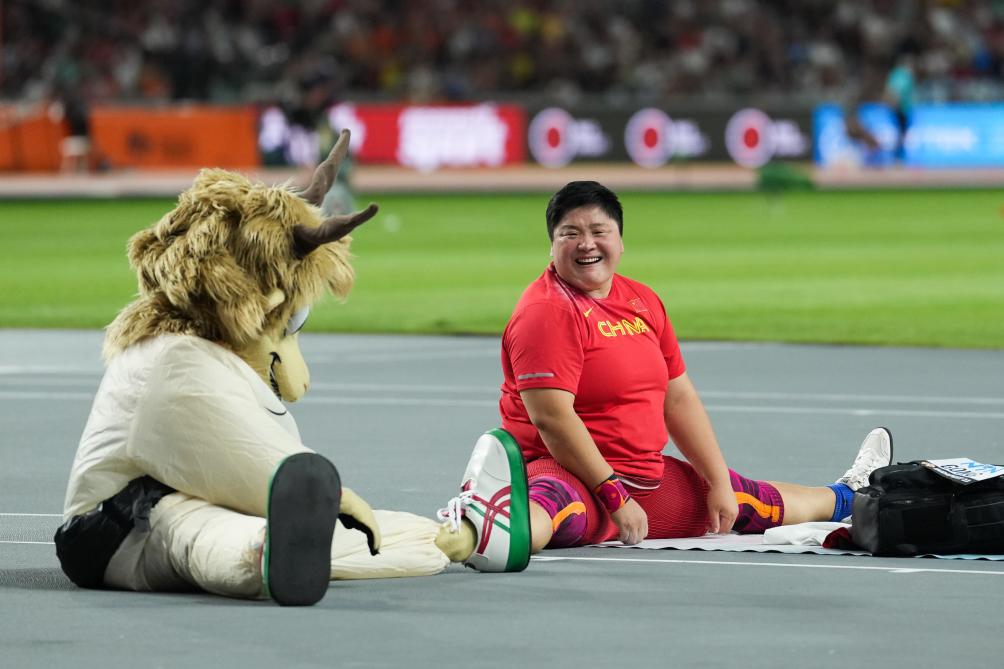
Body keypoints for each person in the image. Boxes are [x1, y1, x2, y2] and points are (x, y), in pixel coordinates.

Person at [438, 181, 892, 566]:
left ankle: (852, 494)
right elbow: (553, 419)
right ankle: (482, 528)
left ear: (620, 241)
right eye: (569, 233)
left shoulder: (641, 300)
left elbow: (678, 398)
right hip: (569, 471)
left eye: (599, 231)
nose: (586, 243)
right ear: (552, 245)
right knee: (558, 509)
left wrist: (717, 481)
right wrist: (615, 497)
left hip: (644, 478)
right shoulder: (547, 312)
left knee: (748, 501)